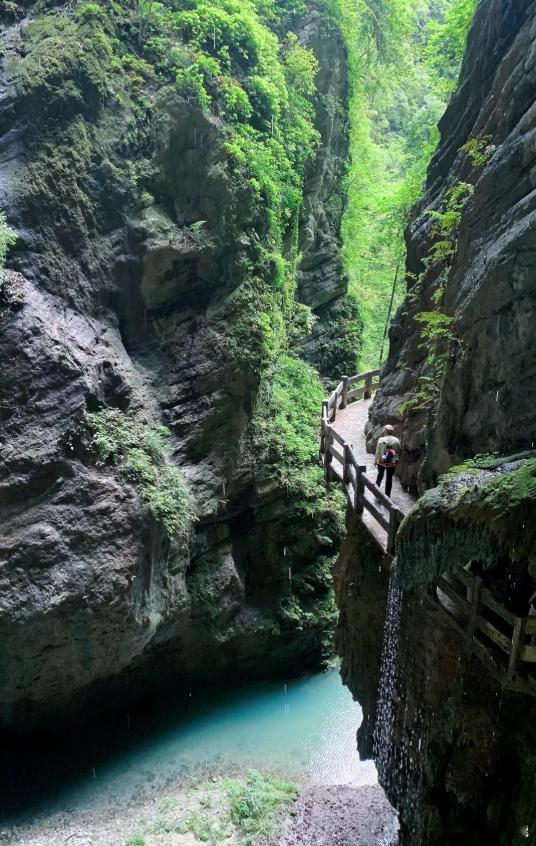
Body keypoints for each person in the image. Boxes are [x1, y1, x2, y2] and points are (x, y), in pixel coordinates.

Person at [374, 424, 401, 498]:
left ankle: (376, 491)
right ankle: (387, 495)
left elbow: (378, 452)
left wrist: (375, 461)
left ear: (385, 431)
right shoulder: (396, 440)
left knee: (380, 475)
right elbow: (398, 451)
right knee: (389, 478)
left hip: (382, 460)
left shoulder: (381, 440)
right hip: (392, 461)